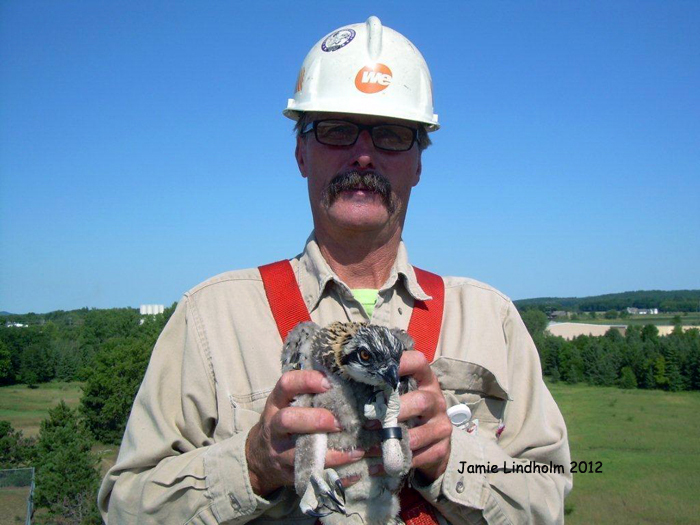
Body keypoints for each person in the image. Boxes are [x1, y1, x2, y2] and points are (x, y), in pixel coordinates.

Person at [99, 16, 572, 524]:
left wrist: (451, 460)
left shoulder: (490, 318)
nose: (363, 154)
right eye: (336, 130)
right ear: (301, 152)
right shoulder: (213, 318)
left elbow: (548, 494)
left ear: (418, 162)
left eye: (391, 135)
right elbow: (126, 504)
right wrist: (252, 465)